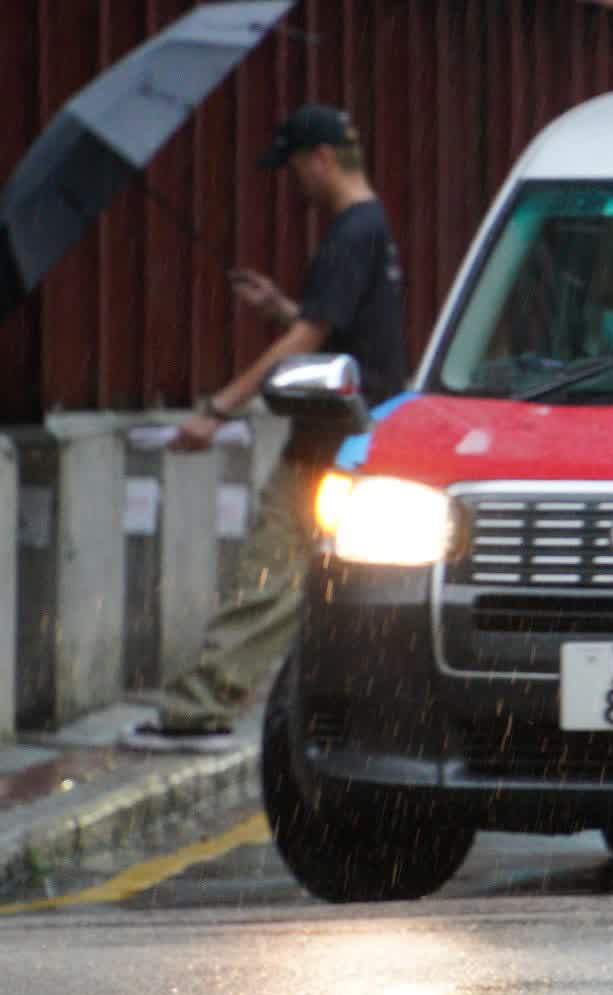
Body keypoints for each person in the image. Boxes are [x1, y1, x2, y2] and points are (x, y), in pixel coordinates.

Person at [123, 104, 405, 752]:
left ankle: (199, 708)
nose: (294, 185)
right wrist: (280, 304)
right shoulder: (375, 226)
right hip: (358, 436)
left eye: (294, 169)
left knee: (268, 575)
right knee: (322, 581)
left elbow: (309, 338)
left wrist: (217, 410)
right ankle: (357, 709)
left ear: (321, 160)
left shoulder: (348, 233)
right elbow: (334, 324)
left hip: (324, 444)